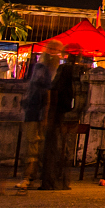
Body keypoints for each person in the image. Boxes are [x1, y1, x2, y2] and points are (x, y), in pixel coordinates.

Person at [36, 48, 86, 191]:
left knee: (56, 149)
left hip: (62, 113)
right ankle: (56, 181)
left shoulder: (66, 73)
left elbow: (57, 91)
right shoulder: (72, 73)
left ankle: (53, 181)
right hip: (65, 113)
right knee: (60, 150)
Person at [17, 43, 64, 189]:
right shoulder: (44, 69)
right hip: (36, 111)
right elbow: (45, 92)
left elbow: (46, 93)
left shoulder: (47, 69)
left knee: (33, 146)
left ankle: (28, 178)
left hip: (37, 112)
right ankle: (30, 177)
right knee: (35, 146)